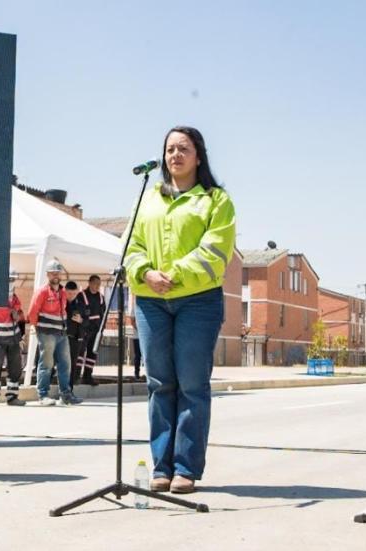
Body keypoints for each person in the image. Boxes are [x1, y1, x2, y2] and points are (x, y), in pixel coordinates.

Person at [124, 126, 235, 494]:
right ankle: (161, 466)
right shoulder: (149, 198)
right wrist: (145, 272)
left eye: (183, 148)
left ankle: (186, 468)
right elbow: (132, 243)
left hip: (198, 301)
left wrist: (173, 274)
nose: (175, 155)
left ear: (198, 156)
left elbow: (215, 249)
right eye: (170, 149)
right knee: (159, 383)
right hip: (151, 300)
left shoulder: (216, 200)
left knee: (191, 384)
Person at [27, 260, 83, 406]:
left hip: (61, 333)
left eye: (58, 272)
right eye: (53, 273)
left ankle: (65, 395)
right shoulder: (42, 292)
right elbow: (32, 312)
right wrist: (35, 327)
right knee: (46, 364)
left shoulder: (63, 292)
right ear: (47, 275)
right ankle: (43, 395)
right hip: (46, 333)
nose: (56, 275)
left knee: (66, 364)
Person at [0, 277, 26, 406]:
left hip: (13, 338)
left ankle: (12, 397)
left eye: (13, 280)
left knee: (15, 368)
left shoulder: (14, 298)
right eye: (9, 280)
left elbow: (19, 314)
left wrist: (16, 314)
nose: (11, 283)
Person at [74, 275, 106, 386]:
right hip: (83, 329)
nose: (97, 286)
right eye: (95, 283)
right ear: (90, 283)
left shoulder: (101, 298)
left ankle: (87, 377)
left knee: (92, 354)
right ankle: (75, 377)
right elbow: (76, 312)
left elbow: (104, 314)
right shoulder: (81, 296)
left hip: (96, 331)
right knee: (80, 353)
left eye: (99, 284)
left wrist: (101, 330)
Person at [64, 281, 84, 387]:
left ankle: (69, 390)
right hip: (61, 337)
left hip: (74, 339)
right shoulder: (61, 303)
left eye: (74, 294)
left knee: (72, 365)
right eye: (69, 293)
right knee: (59, 364)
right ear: (65, 292)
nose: (71, 296)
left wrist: (81, 320)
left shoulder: (80, 304)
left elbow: (87, 322)